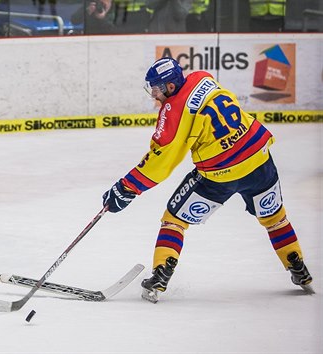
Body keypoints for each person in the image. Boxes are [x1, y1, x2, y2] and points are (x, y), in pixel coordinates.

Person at [102, 57, 313, 303]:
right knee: (275, 217)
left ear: (171, 87)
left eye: (157, 89)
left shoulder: (173, 111)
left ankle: (160, 275)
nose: (155, 95)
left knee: (174, 220)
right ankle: (298, 267)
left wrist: (126, 188)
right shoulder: (203, 77)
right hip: (259, 158)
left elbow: (160, 162)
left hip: (221, 172)